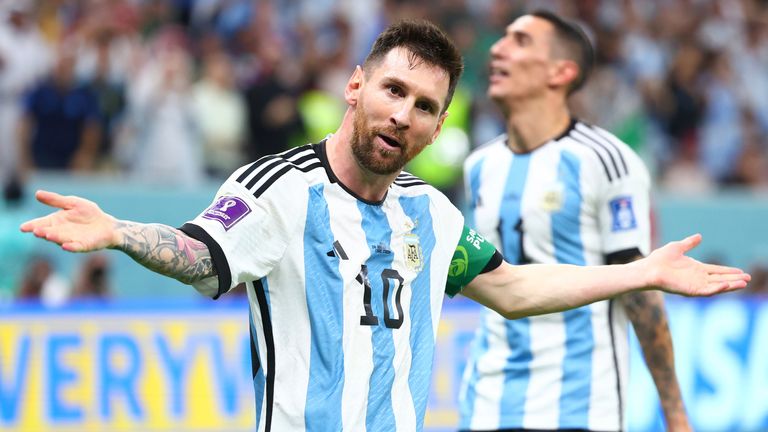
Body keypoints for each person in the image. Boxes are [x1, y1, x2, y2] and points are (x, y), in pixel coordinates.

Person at [19, 20, 748, 432]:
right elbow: (202, 254)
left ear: (437, 127)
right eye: (394, 90)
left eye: (425, 106)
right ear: (356, 86)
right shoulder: (276, 187)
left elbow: (514, 286)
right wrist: (117, 232)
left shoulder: (429, 211)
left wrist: (643, 271)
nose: (404, 114)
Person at [458, 10, 690, 432]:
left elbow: (640, 289)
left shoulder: (607, 160)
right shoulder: (478, 166)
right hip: (488, 406)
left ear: (561, 72)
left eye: (520, 41)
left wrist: (675, 414)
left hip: (581, 407)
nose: (497, 48)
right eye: (503, 38)